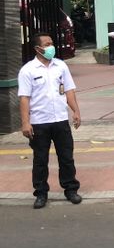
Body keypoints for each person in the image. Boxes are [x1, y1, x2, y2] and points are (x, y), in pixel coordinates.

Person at [18, 33, 83, 209]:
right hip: (39, 122)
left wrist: (75, 111)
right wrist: (25, 122)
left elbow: (69, 90)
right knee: (40, 160)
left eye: (51, 43)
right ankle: (41, 193)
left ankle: (70, 189)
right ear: (37, 49)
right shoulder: (28, 70)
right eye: (47, 44)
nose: (50, 47)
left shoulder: (60, 66)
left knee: (66, 158)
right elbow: (24, 98)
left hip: (60, 120)